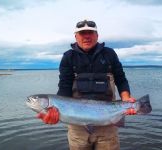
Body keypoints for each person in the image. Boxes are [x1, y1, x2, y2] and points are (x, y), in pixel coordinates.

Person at [37, 19, 136, 150]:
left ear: (97, 36)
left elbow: (121, 79)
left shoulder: (109, 54)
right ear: (76, 36)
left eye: (90, 32)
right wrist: (55, 111)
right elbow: (64, 87)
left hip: (108, 124)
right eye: (82, 33)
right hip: (77, 128)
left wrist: (126, 99)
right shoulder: (68, 57)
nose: (87, 36)